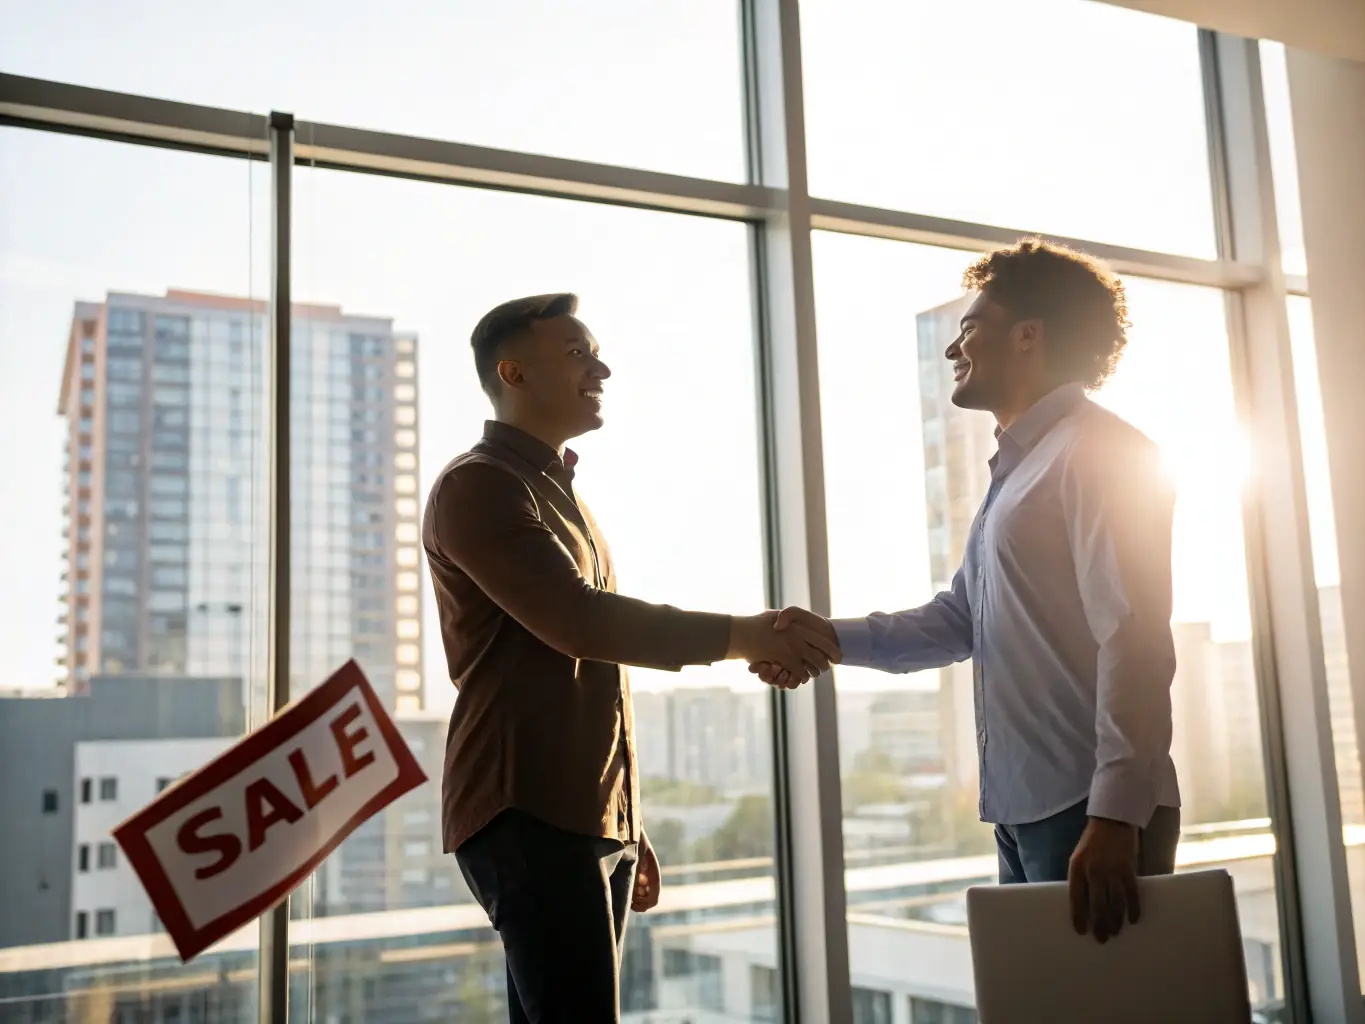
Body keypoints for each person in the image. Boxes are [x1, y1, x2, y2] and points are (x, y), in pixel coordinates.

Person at [422, 292, 836, 1022]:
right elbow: (580, 625)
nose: (602, 368)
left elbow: (591, 674)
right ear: (513, 374)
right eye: (578, 354)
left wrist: (624, 818)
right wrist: (745, 635)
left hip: (579, 812)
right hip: (524, 805)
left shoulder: (560, 493)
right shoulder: (478, 485)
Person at [754, 239, 1180, 944]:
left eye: (969, 327)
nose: (954, 347)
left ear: (1027, 337)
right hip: (1026, 806)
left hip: (1088, 808)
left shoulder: (1101, 452)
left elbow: (1132, 635)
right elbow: (959, 619)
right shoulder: (1017, 472)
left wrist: (1112, 816)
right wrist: (823, 637)